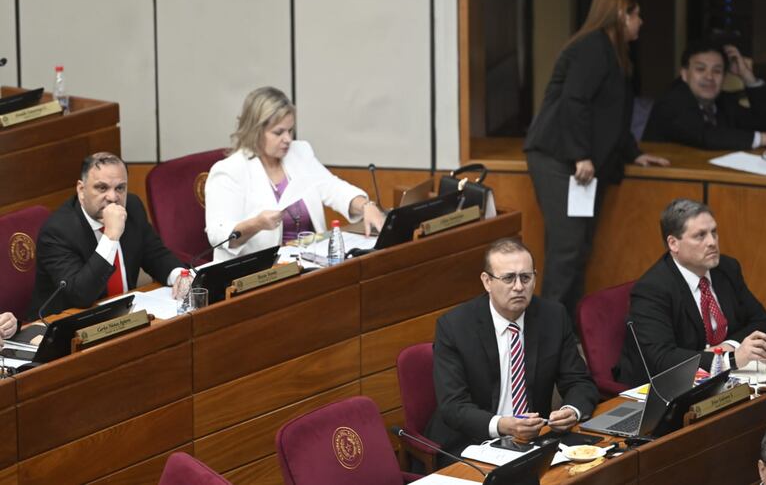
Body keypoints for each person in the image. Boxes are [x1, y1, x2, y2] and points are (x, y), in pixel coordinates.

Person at [524, 0, 669, 325]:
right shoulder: (591, 47)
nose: (641, 21)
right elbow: (575, 102)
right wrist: (581, 155)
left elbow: (611, 115)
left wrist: (633, 153)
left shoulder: (614, 52)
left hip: (579, 164)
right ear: (620, 14)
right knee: (567, 249)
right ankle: (548, 332)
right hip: (560, 160)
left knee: (578, 248)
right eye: (636, 14)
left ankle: (568, 329)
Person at [425, 238, 599, 465]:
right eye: (508, 278)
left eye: (525, 277)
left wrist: (571, 410)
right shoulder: (454, 327)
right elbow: (453, 406)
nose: (518, 287)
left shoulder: (553, 317)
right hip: (471, 442)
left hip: (533, 440)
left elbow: (579, 382)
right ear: (487, 281)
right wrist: (502, 425)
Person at [205, 86, 385, 262]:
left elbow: (332, 187)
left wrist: (365, 205)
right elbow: (218, 235)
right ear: (255, 131)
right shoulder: (230, 170)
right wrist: (257, 224)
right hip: (260, 271)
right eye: (278, 132)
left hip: (311, 262)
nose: (288, 139)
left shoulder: (300, 152)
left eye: (290, 130)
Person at [614, 198, 766, 386]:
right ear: (673, 243)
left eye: (714, 232)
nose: (712, 242)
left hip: (724, 379)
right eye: (700, 236)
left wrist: (728, 348)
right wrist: (729, 359)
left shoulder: (726, 268)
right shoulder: (652, 289)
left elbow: (762, 321)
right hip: (663, 388)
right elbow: (662, 359)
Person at [28, 152, 186, 319]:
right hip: (68, 323)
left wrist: (179, 275)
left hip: (126, 316)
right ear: (81, 190)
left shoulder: (132, 207)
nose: (113, 197)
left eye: (120, 188)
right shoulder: (57, 231)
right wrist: (110, 236)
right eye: (102, 188)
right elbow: (80, 295)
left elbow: (155, 254)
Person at [643, 40, 766, 150]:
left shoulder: (723, 101)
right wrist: (763, 139)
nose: (709, 77)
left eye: (717, 71)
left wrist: (747, 77)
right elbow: (705, 135)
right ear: (684, 74)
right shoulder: (671, 101)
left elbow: (763, 123)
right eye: (700, 69)